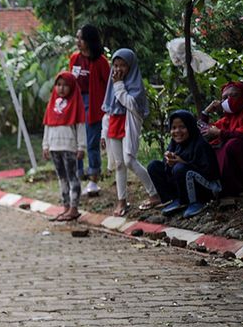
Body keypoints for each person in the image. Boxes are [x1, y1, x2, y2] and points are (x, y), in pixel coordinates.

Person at [101, 48, 161, 217]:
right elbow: (108, 109)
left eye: (123, 66)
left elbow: (131, 105)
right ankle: (121, 201)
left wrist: (119, 85)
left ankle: (154, 193)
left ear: (131, 67)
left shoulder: (135, 85)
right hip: (113, 124)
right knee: (119, 164)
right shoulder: (111, 83)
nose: (118, 69)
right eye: (116, 65)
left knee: (129, 160)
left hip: (128, 123)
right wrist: (102, 133)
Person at [147, 110, 221, 218]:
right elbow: (169, 170)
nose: (177, 131)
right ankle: (177, 199)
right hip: (184, 179)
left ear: (190, 127)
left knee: (180, 168)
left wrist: (183, 163)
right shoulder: (174, 144)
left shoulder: (200, 144)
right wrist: (169, 161)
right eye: (174, 128)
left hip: (207, 188)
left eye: (182, 127)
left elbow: (210, 172)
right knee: (154, 166)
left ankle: (195, 202)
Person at [69, 24, 110, 196]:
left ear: (89, 40)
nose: (78, 41)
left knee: (92, 144)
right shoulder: (74, 59)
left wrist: (107, 109)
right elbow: (71, 82)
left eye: (81, 38)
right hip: (76, 105)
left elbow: (109, 86)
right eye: (77, 37)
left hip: (94, 106)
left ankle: (93, 179)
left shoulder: (101, 62)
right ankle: (77, 178)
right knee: (75, 143)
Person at [42, 71, 86, 221]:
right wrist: (45, 145)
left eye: (66, 85)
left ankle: (74, 208)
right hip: (54, 147)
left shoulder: (75, 104)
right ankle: (65, 207)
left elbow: (80, 127)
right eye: (58, 85)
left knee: (73, 177)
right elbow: (48, 125)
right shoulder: (52, 105)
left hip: (69, 147)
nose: (61, 88)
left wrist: (81, 147)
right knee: (62, 178)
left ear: (72, 87)